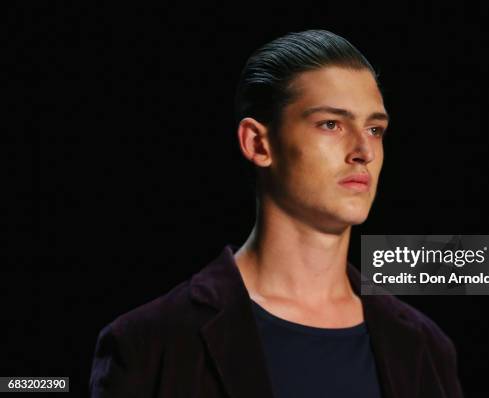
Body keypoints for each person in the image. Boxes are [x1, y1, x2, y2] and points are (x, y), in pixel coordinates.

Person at [89, 29, 463, 398]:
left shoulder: (424, 348)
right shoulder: (150, 344)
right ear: (258, 143)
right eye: (331, 124)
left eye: (375, 129)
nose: (363, 150)